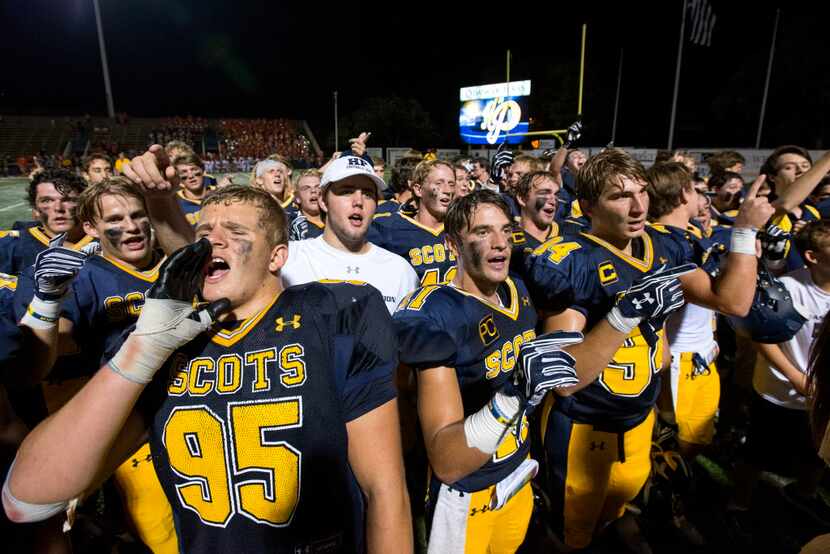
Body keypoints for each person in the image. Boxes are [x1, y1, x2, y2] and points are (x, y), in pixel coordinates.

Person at [3, 185, 413, 553]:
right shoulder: (162, 341)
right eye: (203, 235)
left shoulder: (336, 313)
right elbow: (26, 497)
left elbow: (383, 488)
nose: (212, 241)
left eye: (235, 235)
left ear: (277, 256)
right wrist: (142, 351)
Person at [525, 148, 771, 551]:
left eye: (641, 191)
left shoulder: (664, 246)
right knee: (573, 533)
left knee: (617, 508)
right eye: (620, 196)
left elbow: (731, 301)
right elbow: (565, 380)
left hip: (638, 416)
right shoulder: (573, 263)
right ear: (587, 206)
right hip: (584, 423)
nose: (638, 205)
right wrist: (622, 317)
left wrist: (744, 233)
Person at [393, 190, 581, 554]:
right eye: (482, 232)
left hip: (518, 470)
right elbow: (447, 461)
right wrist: (514, 395)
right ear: (452, 245)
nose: (499, 244)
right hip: (466, 489)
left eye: (505, 231)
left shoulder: (519, 288)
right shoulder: (437, 312)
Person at [13, 177, 177, 552]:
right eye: (115, 219)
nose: (132, 226)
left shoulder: (174, 260)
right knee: (161, 525)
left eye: (138, 215)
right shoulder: (84, 276)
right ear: (90, 228)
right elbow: (43, 353)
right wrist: (48, 304)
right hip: (133, 418)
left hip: (191, 401)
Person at [730, 220, 830, 531]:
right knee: (759, 452)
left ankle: (804, 494)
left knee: (817, 452)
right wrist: (799, 379)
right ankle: (738, 502)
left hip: (823, 395)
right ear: (813, 256)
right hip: (780, 392)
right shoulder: (788, 288)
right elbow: (760, 336)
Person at [282, 156, 419, 315]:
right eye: (346, 191)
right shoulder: (289, 260)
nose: (358, 201)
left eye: (368, 194)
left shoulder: (400, 272)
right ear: (323, 201)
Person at [368, 159, 457, 286]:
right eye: (439, 183)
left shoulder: (463, 227)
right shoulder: (389, 229)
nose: (447, 190)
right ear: (418, 189)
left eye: (451, 184)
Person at [0, 169, 93, 276]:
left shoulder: (106, 243)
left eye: (68, 200)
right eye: (47, 201)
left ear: (83, 204)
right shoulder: (10, 246)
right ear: (35, 209)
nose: (58, 208)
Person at [174, 153, 212, 226]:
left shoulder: (220, 195)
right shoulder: (175, 204)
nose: (190, 176)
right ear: (178, 177)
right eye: (184, 172)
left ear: (203, 170)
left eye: (194, 169)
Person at [287, 169, 325, 241]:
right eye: (306, 188)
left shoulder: (339, 221)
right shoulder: (289, 228)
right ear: (297, 197)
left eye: (318, 187)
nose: (313, 191)